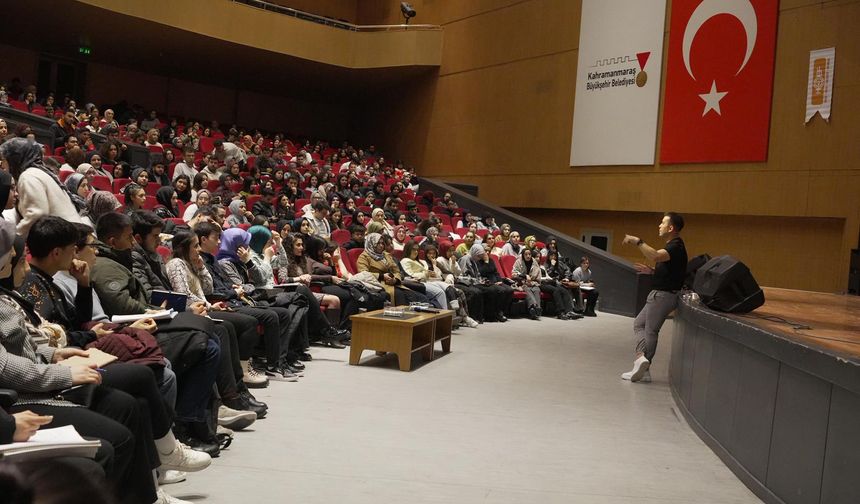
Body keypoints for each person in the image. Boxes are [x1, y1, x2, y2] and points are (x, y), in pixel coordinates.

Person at [621, 212, 688, 383]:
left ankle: (643, 363)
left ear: (671, 228)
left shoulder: (675, 246)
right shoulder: (675, 247)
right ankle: (643, 364)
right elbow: (671, 270)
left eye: (663, 223)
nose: (659, 225)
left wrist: (638, 241)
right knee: (639, 324)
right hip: (661, 294)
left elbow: (655, 255)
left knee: (650, 330)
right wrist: (652, 272)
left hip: (662, 296)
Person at [1, 138, 83, 237]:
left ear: (14, 159)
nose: (3, 165)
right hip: (68, 234)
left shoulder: (28, 176)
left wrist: (13, 236)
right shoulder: (38, 172)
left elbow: (37, 214)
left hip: (65, 239)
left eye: (4, 160)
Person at [356, 233, 428, 306]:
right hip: (377, 284)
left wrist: (395, 280)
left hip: (394, 283)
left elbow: (396, 271)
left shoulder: (386, 255)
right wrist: (382, 276)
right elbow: (363, 274)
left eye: (382, 243)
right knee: (402, 296)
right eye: (378, 243)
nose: (381, 246)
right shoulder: (363, 257)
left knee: (421, 297)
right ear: (371, 243)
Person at [458, 243, 513, 322]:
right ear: (474, 253)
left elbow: (478, 274)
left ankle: (493, 314)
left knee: (494, 289)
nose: (479, 258)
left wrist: (482, 280)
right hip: (467, 283)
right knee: (489, 291)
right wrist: (477, 280)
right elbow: (462, 275)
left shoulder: (474, 259)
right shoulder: (465, 259)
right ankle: (483, 316)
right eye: (478, 256)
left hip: (475, 281)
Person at [399, 240, 450, 309]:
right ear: (408, 250)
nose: (416, 252)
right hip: (417, 283)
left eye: (417, 250)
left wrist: (429, 273)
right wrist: (426, 274)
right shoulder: (405, 261)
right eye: (413, 249)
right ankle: (444, 316)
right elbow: (410, 275)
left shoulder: (420, 261)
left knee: (447, 289)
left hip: (428, 281)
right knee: (440, 293)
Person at [511, 248, 543, 320]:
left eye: (529, 254)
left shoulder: (534, 262)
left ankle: (535, 309)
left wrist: (532, 282)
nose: (528, 256)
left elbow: (538, 275)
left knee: (536, 289)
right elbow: (513, 274)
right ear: (523, 255)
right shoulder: (518, 262)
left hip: (533, 282)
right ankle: (535, 306)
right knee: (527, 289)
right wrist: (524, 276)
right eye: (526, 254)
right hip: (521, 283)